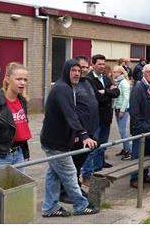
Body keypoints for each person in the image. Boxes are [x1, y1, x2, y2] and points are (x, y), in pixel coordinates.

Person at [40, 59, 98, 217]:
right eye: (73, 70)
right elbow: (70, 114)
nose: (77, 74)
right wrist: (83, 134)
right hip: (55, 142)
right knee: (70, 173)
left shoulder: (67, 88)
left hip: (57, 140)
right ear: (66, 71)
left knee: (54, 174)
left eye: (79, 71)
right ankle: (81, 205)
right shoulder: (62, 88)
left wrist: (74, 135)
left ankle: (49, 207)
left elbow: (69, 115)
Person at [60, 56, 99, 202]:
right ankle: (66, 191)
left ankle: (75, 187)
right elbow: (70, 111)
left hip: (90, 130)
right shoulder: (71, 86)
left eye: (83, 68)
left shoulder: (87, 82)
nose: (81, 71)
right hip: (77, 132)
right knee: (72, 164)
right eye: (77, 69)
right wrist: (77, 132)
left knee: (79, 163)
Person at [0, 63, 32, 172]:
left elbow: (21, 130)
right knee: (1, 189)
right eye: (18, 79)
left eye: (25, 79)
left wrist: (25, 153)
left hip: (19, 154)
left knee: (19, 188)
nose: (22, 83)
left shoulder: (22, 101)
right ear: (7, 79)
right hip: (1, 156)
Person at [86, 54, 120, 175]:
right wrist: (109, 91)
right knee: (95, 143)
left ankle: (100, 164)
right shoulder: (89, 79)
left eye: (103, 64)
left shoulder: (106, 78)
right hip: (96, 118)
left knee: (103, 143)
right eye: (99, 64)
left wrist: (105, 91)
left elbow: (117, 92)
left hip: (107, 116)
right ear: (93, 64)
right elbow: (96, 97)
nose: (102, 66)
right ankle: (91, 170)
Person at [129, 64, 150, 189]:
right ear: (143, 73)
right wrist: (142, 126)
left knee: (147, 153)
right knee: (138, 154)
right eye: (148, 72)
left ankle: (145, 175)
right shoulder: (139, 87)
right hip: (141, 128)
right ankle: (135, 178)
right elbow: (134, 110)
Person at [112, 65, 132, 160]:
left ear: (121, 73)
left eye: (116, 72)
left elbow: (126, 98)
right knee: (121, 131)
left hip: (122, 109)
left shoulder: (124, 83)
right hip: (117, 108)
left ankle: (128, 151)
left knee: (123, 131)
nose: (114, 73)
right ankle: (125, 148)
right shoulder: (118, 82)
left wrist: (122, 110)